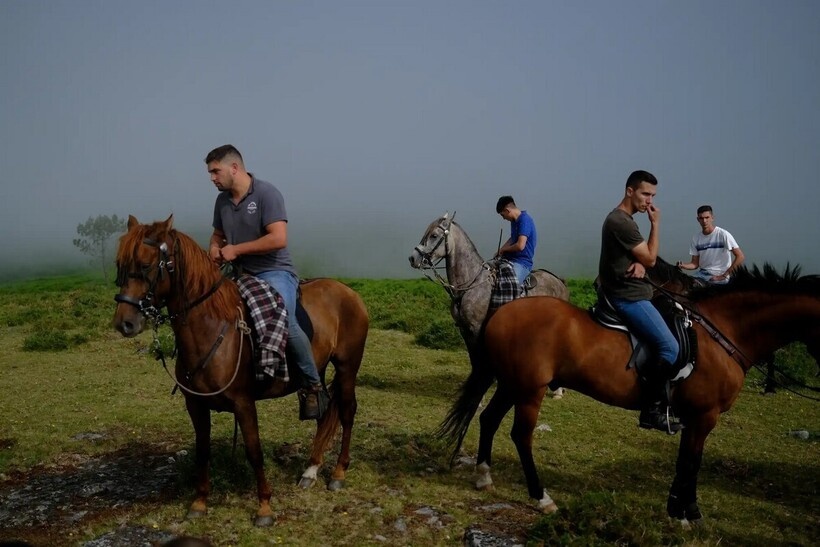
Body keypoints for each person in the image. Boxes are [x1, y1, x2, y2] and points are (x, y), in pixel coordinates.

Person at [205, 144, 322, 420]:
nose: (212, 178)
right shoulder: (222, 201)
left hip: (275, 271)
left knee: (283, 315)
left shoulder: (267, 194)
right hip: (241, 274)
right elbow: (217, 234)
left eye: (215, 171)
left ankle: (312, 384)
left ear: (234, 167)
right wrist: (214, 247)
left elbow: (278, 238)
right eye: (210, 173)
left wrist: (237, 250)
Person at [598, 170, 681, 433]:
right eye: (646, 193)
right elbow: (652, 259)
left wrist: (640, 264)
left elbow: (642, 260)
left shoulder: (624, 220)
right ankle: (652, 410)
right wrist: (655, 225)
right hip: (628, 297)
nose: (649, 201)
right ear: (629, 191)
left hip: (633, 289)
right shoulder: (621, 222)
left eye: (653, 195)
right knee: (670, 347)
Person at [676, 205, 745, 284]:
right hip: (701, 274)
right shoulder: (696, 238)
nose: (704, 221)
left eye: (707, 217)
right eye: (701, 218)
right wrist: (683, 265)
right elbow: (695, 264)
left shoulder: (723, 234)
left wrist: (724, 275)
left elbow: (740, 256)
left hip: (719, 275)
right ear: (698, 219)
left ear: (712, 218)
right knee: (683, 285)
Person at [495, 195, 537, 288]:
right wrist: (500, 250)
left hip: (521, 262)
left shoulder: (525, 220)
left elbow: (520, 245)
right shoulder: (514, 221)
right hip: (510, 259)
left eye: (503, 215)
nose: (503, 218)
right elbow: (512, 238)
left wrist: (505, 249)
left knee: (508, 285)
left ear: (507, 210)